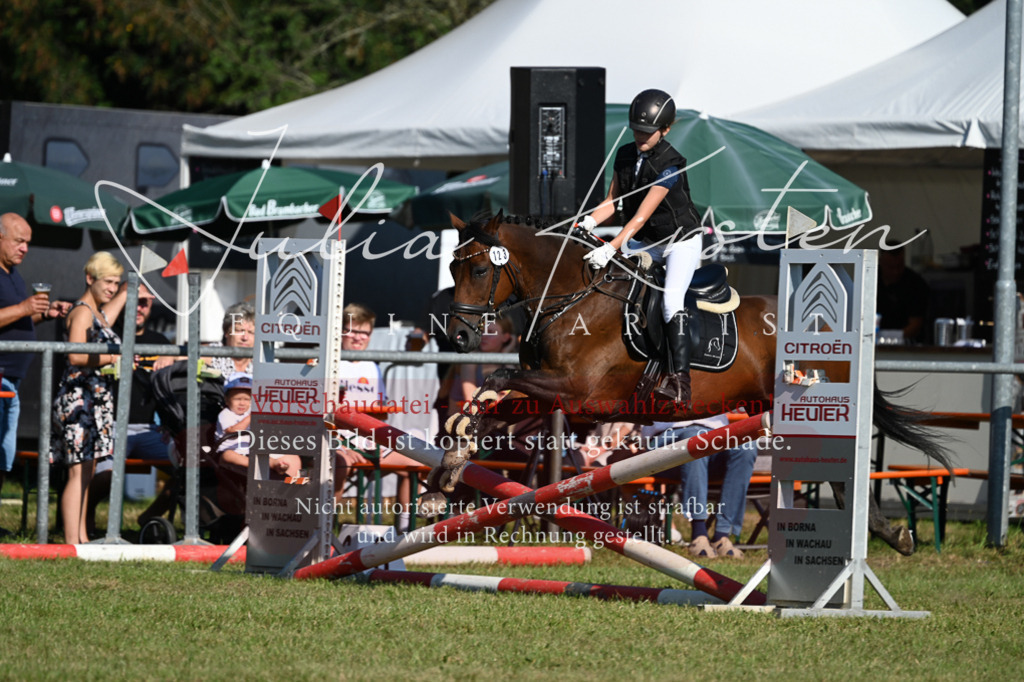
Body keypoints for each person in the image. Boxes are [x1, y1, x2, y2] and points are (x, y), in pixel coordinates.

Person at [577, 89, 702, 403]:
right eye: (636, 130)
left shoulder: (672, 163)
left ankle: (680, 382)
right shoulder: (624, 155)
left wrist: (613, 245)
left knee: (671, 302)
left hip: (678, 242)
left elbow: (642, 214)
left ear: (666, 129)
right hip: (644, 241)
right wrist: (587, 223)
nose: (640, 136)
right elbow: (612, 202)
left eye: (647, 132)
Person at [0, 213, 72, 531]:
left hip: (12, 381)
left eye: (28, 242)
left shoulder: (12, 275)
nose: (25, 248)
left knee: (3, 456)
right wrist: (26, 308)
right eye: (19, 241)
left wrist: (43, 315)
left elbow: (14, 321)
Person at [51, 251, 128, 544]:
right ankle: (73, 540)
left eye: (116, 282)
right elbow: (76, 353)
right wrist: (112, 358)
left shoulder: (97, 313)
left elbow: (110, 313)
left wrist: (128, 290)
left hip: (94, 400)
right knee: (77, 473)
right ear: (89, 279)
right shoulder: (83, 311)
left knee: (87, 471)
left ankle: (81, 538)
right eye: (108, 281)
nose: (111, 287)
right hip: (78, 399)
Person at [335, 302, 417, 532]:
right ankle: (323, 531)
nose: (359, 337)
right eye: (352, 330)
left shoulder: (373, 365)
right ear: (339, 331)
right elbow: (321, 413)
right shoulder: (331, 364)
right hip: (337, 440)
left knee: (416, 461)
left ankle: (403, 533)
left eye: (365, 332)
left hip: (369, 440)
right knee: (338, 464)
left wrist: (378, 438)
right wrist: (344, 446)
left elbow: (380, 412)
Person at [643, 413, 758, 558]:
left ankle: (722, 535)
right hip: (666, 440)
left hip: (716, 437)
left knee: (746, 446)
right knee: (696, 438)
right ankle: (699, 534)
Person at [215, 372, 300, 478]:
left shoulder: (251, 412)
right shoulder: (226, 414)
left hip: (252, 449)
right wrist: (251, 417)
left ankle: (291, 486)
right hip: (232, 451)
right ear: (227, 400)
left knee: (292, 457)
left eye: (246, 399)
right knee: (228, 455)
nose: (242, 403)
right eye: (237, 399)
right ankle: (272, 464)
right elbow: (232, 430)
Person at [877, 247, 929, 343]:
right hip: (872, 338)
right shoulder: (870, 279)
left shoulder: (915, 283)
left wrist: (888, 337)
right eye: (890, 267)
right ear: (880, 262)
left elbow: (916, 324)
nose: (895, 272)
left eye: (899, 266)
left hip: (907, 341)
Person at [205, 301, 255, 376]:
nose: (245, 337)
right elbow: (184, 358)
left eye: (251, 332)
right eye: (239, 330)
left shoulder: (261, 362)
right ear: (226, 332)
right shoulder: (213, 355)